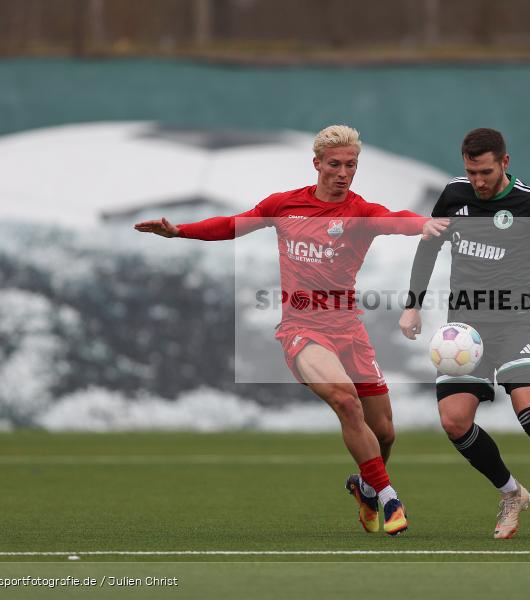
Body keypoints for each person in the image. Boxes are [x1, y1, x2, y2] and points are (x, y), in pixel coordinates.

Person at [135, 125, 448, 536]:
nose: (343, 172)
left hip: (349, 331)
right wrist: (179, 231)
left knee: (385, 432)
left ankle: (365, 485)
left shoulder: (359, 212)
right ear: (317, 163)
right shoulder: (285, 205)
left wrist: (423, 224)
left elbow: (395, 219)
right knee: (346, 401)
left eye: (350, 165)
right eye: (334, 164)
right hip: (302, 329)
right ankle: (390, 498)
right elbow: (233, 224)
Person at [399, 128, 530, 540]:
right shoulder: (454, 194)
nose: (478, 181)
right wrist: (412, 303)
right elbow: (428, 247)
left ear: (504, 163)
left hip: (514, 325)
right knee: (454, 422)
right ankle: (511, 493)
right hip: (464, 332)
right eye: (471, 172)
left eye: (486, 172)